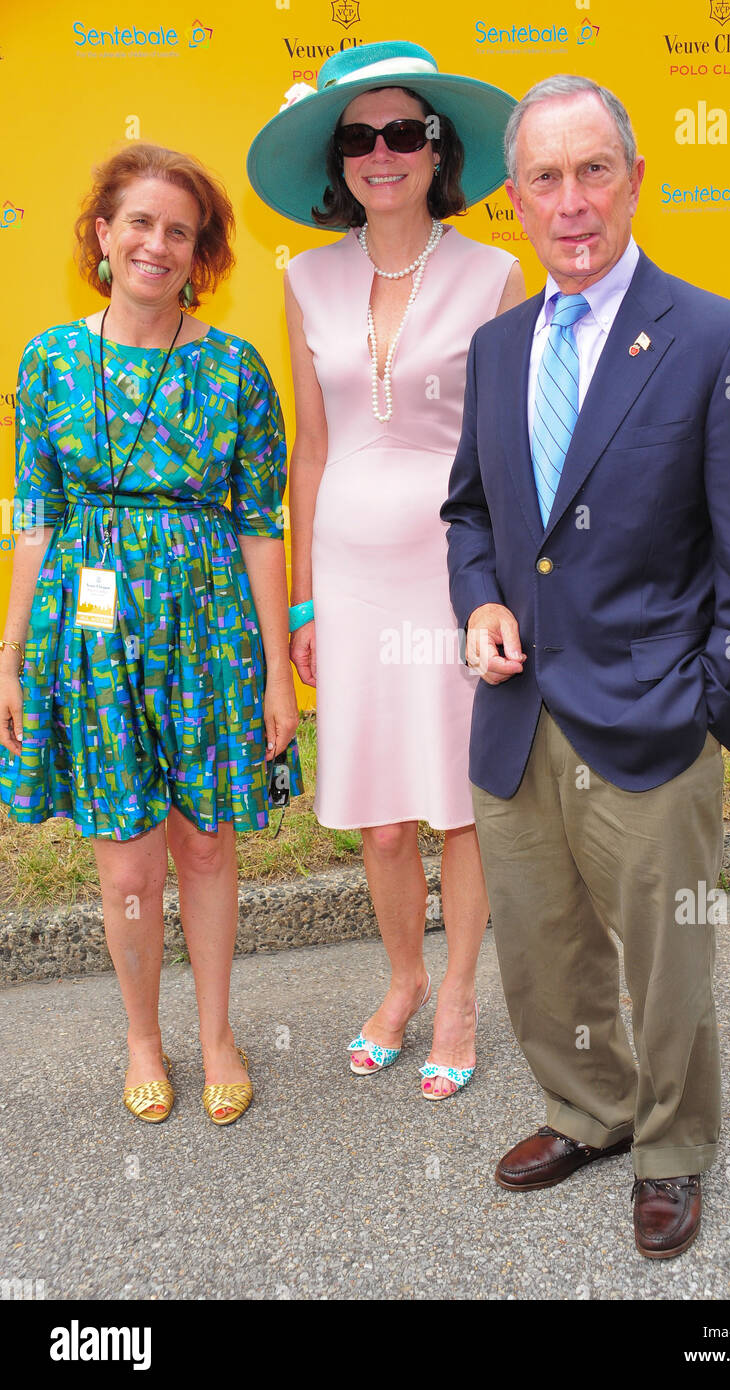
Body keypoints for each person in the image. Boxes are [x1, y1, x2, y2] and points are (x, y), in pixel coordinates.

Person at [442, 76, 730, 1253]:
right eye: (542, 178)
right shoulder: (497, 348)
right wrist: (480, 599)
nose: (571, 201)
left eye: (593, 170)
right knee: (541, 946)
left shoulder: (717, 340)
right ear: (515, 202)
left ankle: (672, 1144)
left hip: (655, 718)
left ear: (635, 180)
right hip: (514, 711)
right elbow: (470, 515)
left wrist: (713, 715)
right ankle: (588, 1108)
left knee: (664, 959)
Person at [0, 143, 300, 1127]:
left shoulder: (234, 370)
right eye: (138, 222)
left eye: (178, 230)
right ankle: (142, 1035)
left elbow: (260, 526)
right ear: (102, 233)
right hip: (87, 632)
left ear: (199, 250)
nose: (156, 244)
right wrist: (11, 656)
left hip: (209, 627)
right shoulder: (48, 362)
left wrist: (272, 678)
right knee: (128, 859)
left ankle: (217, 1034)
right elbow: (35, 516)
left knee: (206, 846)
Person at [247, 41, 525, 1098]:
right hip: (352, 582)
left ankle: (458, 994)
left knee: (456, 800)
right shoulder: (305, 280)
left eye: (402, 131)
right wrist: (306, 599)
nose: (381, 152)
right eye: (359, 136)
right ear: (338, 157)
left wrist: (497, 589)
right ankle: (401, 979)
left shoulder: (493, 273)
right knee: (377, 812)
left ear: (435, 147)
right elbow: (309, 451)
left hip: (453, 572)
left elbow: (506, 457)